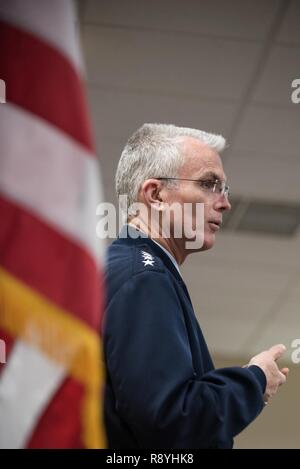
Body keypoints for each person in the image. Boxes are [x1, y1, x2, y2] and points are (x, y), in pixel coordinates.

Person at [103, 123, 289, 449]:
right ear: (156, 195)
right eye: (208, 184)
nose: (224, 203)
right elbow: (172, 421)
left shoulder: (131, 268)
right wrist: (253, 381)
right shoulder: (144, 279)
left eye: (224, 189)